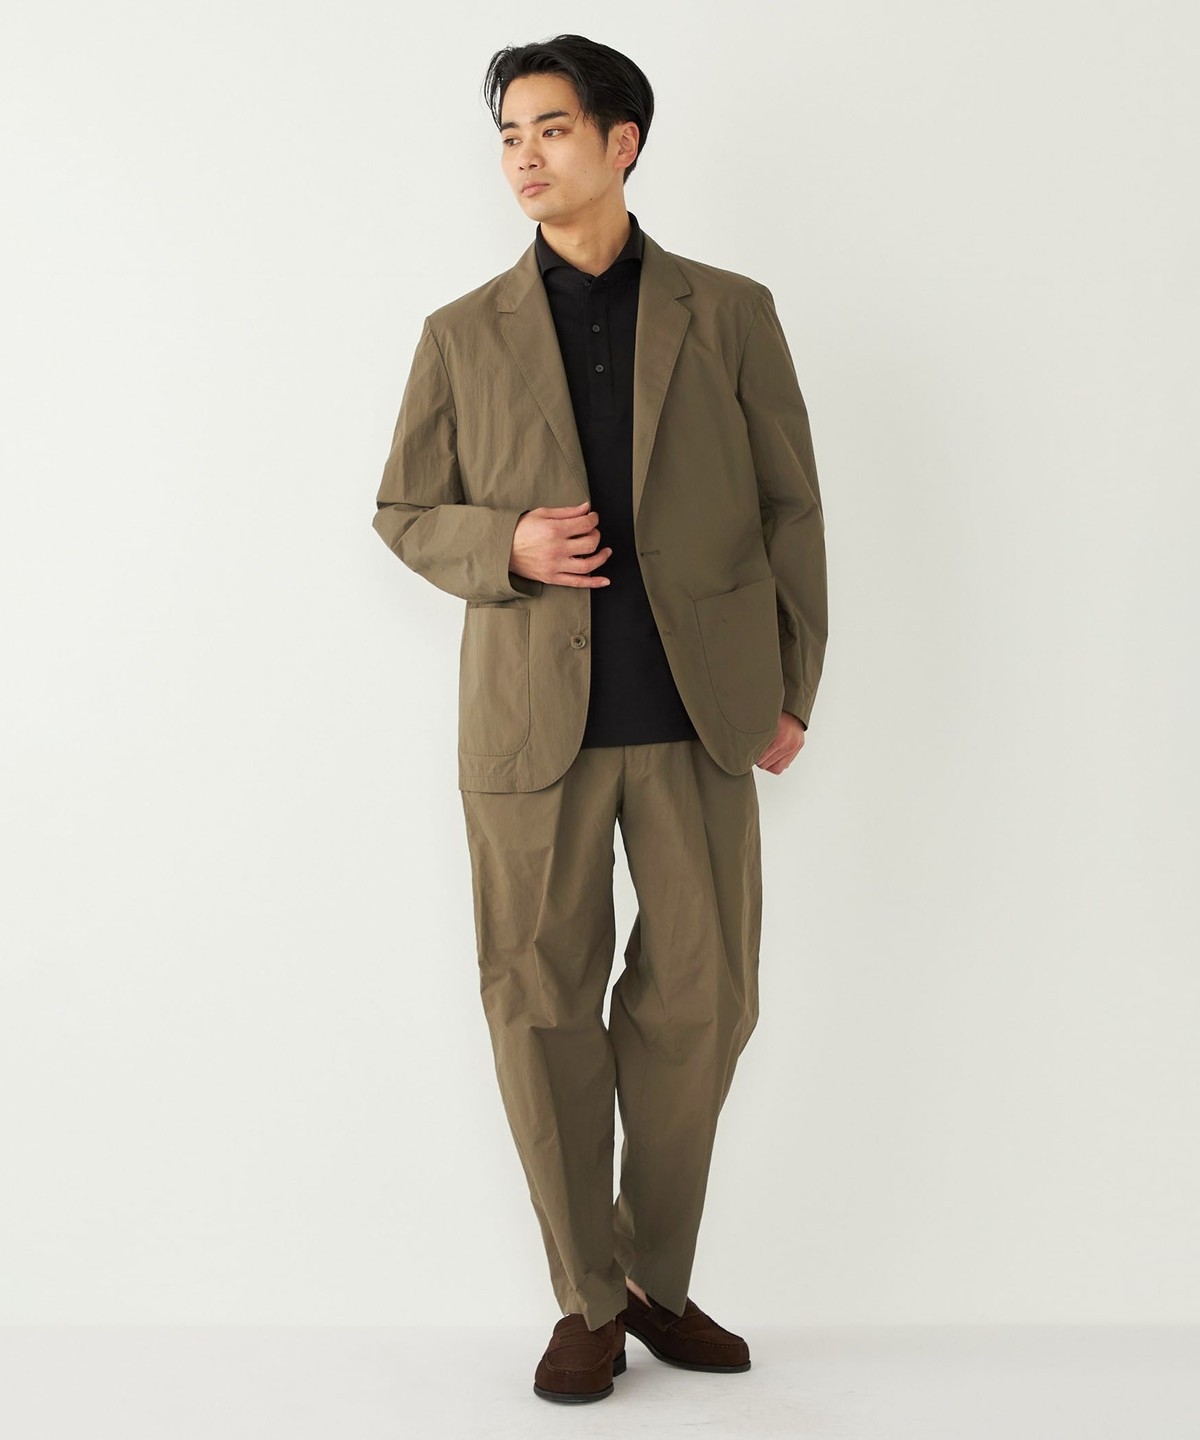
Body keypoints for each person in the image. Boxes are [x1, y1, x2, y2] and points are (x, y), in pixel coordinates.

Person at [371, 33, 828, 1404]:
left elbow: (790, 504)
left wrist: (792, 683)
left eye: (552, 129)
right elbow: (404, 511)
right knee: (539, 1005)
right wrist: (503, 543)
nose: (524, 156)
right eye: (509, 134)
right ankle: (587, 1298)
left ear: (623, 142)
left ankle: (648, 1278)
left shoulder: (729, 311)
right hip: (530, 732)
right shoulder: (461, 333)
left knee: (708, 1001)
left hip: (699, 716)